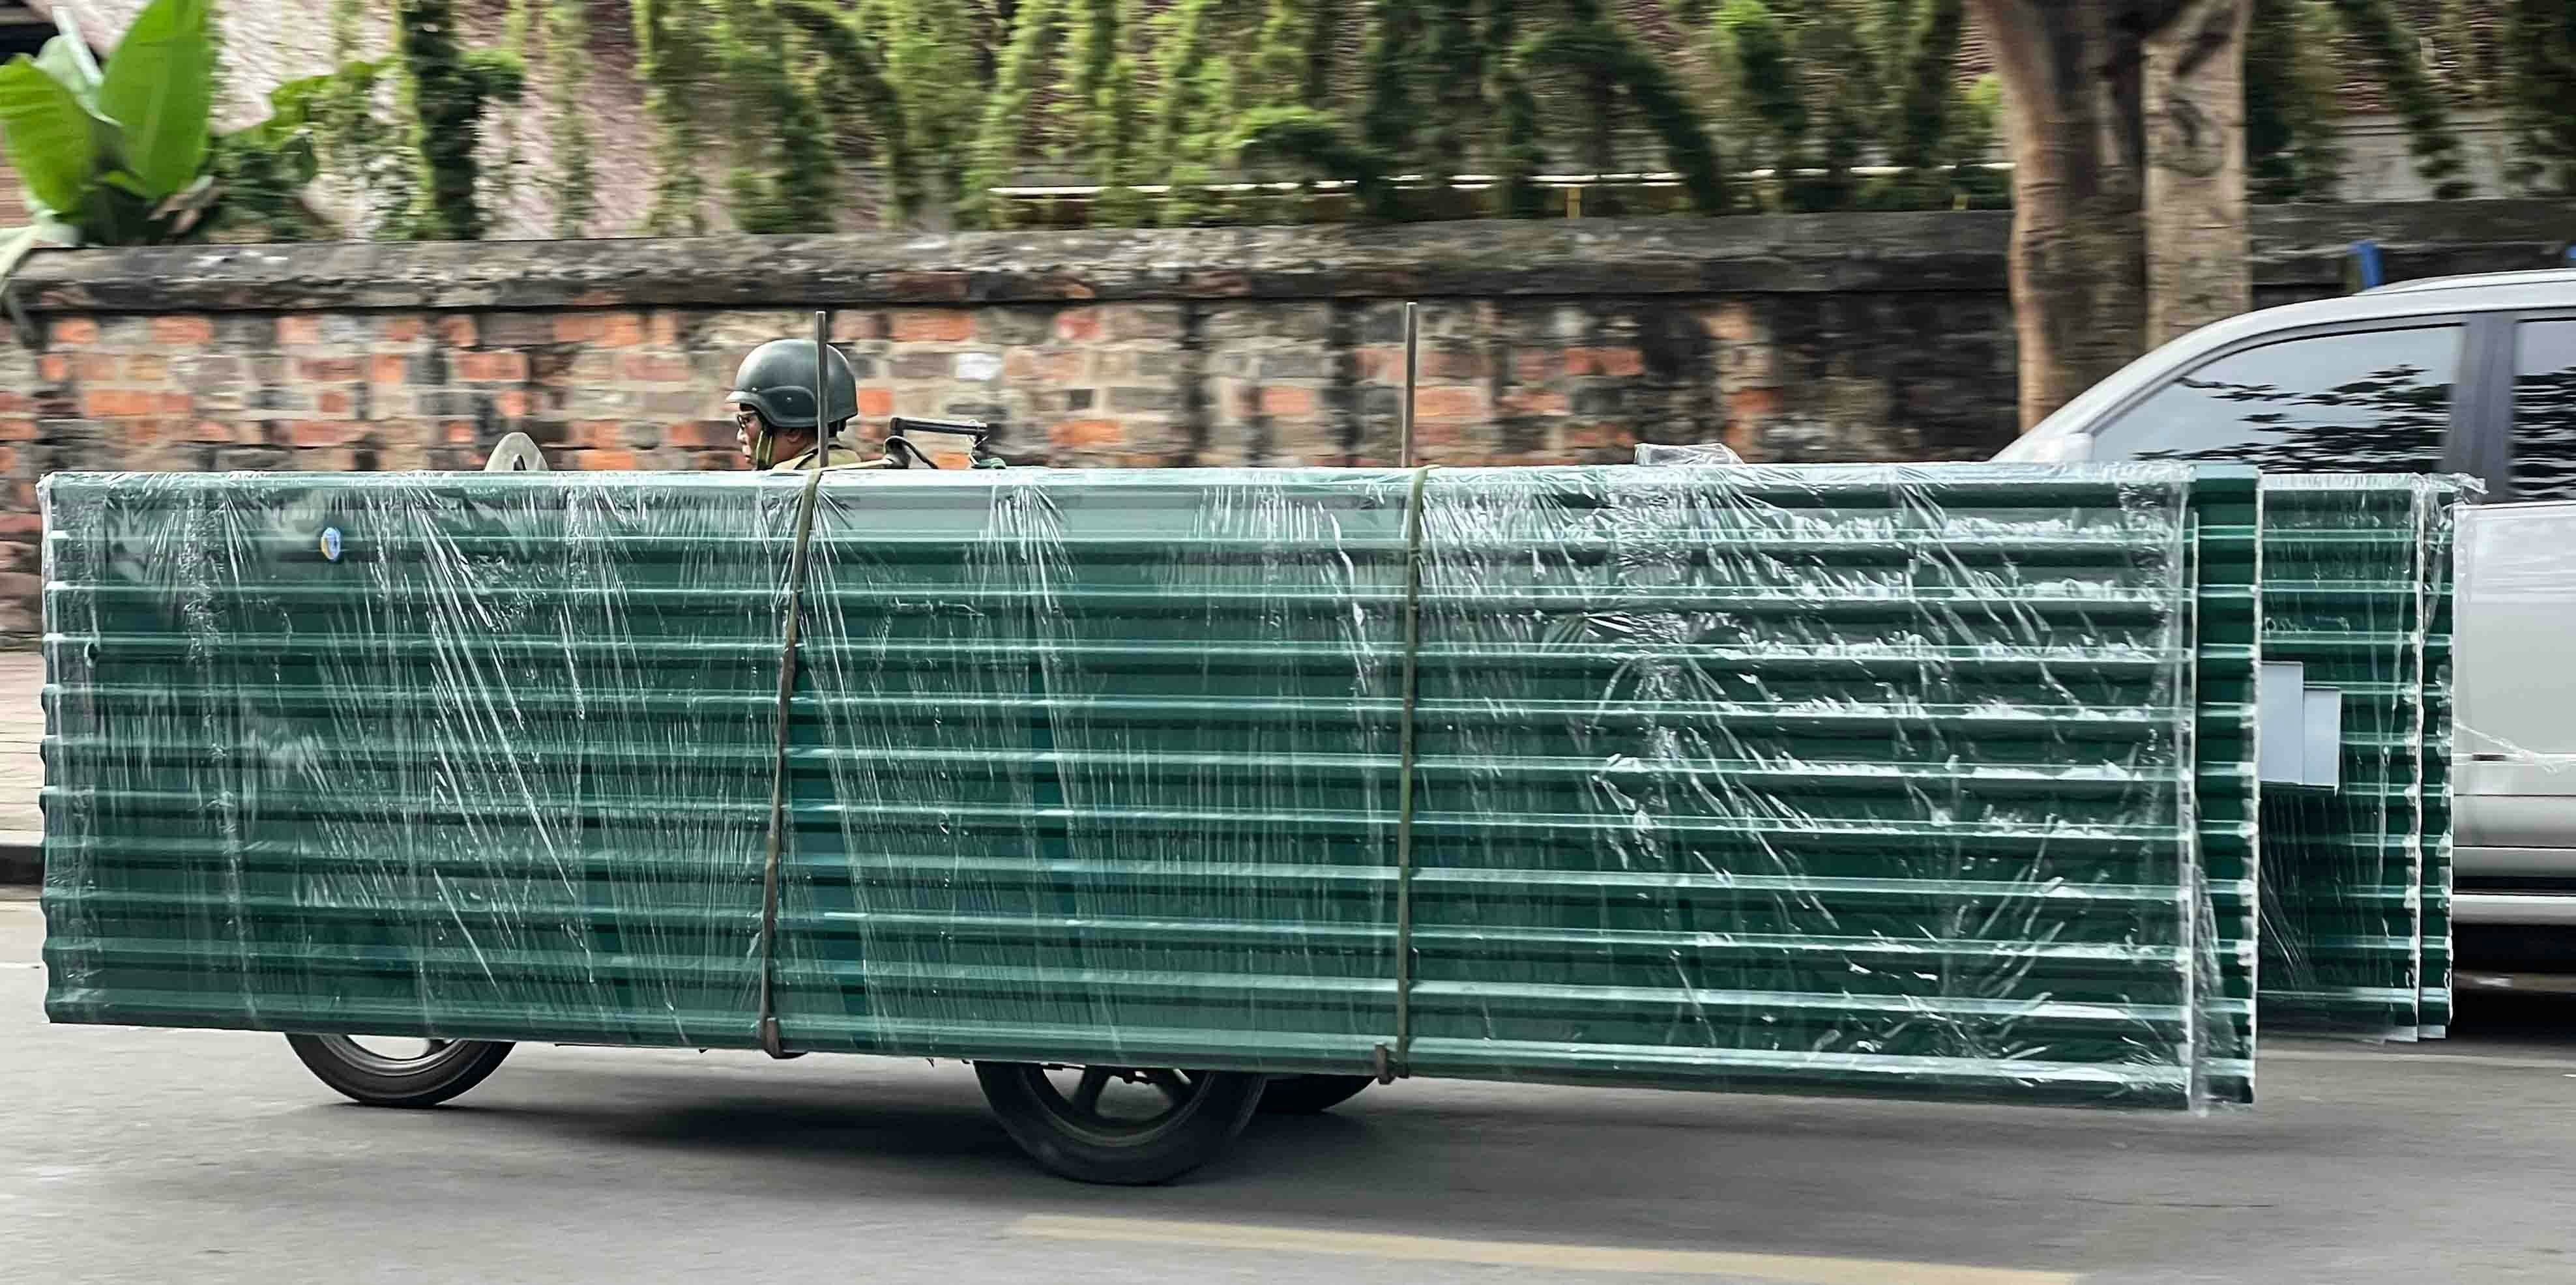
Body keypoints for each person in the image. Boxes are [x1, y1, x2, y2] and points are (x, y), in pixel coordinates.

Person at [727, 338, 870, 471]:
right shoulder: (857, 471)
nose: (740, 437)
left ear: (793, 430)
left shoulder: (784, 485)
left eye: (747, 421)